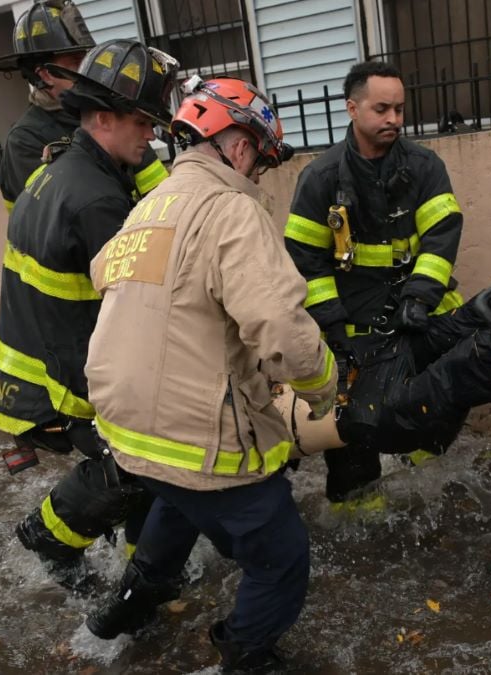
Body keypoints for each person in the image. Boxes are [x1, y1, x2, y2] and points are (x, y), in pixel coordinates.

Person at [80, 77, 336, 673]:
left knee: (179, 495)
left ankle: (120, 611)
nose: (257, 176)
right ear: (240, 146)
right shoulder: (230, 209)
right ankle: (244, 654)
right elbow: (280, 325)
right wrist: (323, 388)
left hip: (129, 428)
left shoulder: (148, 207)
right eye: (260, 162)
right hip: (196, 427)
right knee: (281, 557)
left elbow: (106, 278)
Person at [0, 38, 180, 592]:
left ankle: (150, 565)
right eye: (142, 122)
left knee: (143, 471)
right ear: (102, 117)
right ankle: (50, 538)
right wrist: (91, 414)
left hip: (35, 364)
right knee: (138, 464)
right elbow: (120, 314)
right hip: (57, 378)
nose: (151, 134)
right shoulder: (96, 201)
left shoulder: (63, 168)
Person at [285, 60, 479, 510]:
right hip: (353, 322)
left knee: (446, 392)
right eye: (381, 109)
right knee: (354, 428)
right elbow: (306, 260)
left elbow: (442, 234)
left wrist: (419, 297)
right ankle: (361, 516)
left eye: (399, 109)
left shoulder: (424, 167)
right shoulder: (320, 179)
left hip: (419, 311)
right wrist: (331, 326)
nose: (394, 119)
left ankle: (422, 477)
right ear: (352, 109)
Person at [0, 0, 169, 214]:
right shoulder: (25, 140)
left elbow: (161, 193)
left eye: (87, 58)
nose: (86, 69)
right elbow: (55, 217)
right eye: (76, 62)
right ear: (46, 74)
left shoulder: (106, 113)